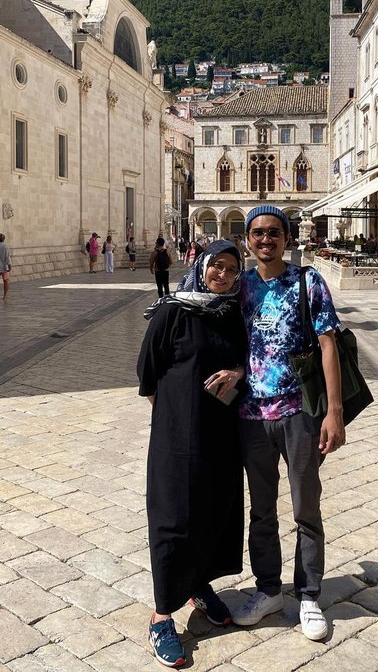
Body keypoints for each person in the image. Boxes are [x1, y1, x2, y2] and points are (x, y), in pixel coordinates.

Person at [232, 205, 345, 642]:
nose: (265, 240)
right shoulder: (239, 286)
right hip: (250, 415)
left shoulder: (306, 280)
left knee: (305, 508)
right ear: (247, 239)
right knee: (261, 510)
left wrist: (333, 412)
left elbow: (328, 344)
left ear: (286, 237)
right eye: (257, 233)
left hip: (299, 413)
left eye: (273, 232)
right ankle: (267, 590)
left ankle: (309, 594)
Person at [137, 240, 247, 668]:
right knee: (174, 516)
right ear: (201, 266)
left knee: (212, 509)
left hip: (220, 433)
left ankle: (199, 585)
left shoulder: (230, 312)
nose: (222, 274)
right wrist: (174, 417)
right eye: (216, 266)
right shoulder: (173, 310)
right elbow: (147, 373)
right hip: (176, 437)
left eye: (231, 269)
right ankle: (163, 614)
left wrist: (236, 372)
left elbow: (244, 360)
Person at [0, 233, 12, 300]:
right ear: (4, 239)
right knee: (6, 280)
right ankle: (5, 296)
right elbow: (7, 257)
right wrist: (10, 265)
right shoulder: (5, 247)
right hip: (4, 266)